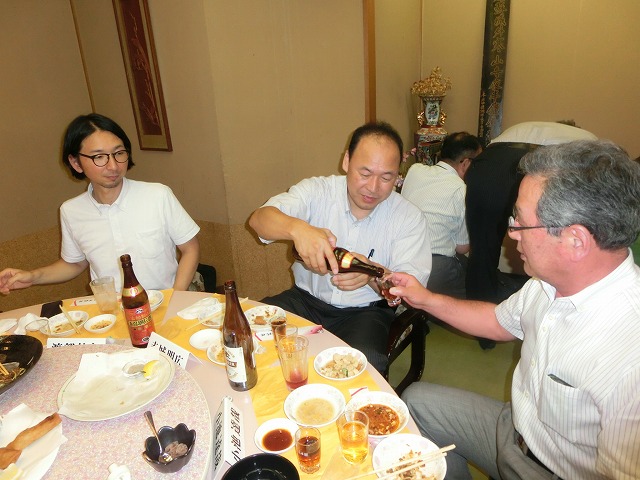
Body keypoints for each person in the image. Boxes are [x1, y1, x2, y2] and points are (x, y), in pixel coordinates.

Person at [388, 140, 640, 479]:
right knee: (415, 401)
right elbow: (498, 322)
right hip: (515, 428)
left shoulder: (629, 357)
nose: (511, 233)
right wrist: (425, 299)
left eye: (520, 221)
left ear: (575, 240)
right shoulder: (546, 283)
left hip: (552, 470)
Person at [248, 121, 431, 373]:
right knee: (248, 332)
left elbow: (411, 292)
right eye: (364, 173)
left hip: (365, 313)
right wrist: (298, 229)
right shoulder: (317, 191)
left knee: (362, 368)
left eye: (386, 177)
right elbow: (259, 220)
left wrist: (371, 274)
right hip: (305, 301)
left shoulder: (409, 218)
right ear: (346, 161)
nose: (373, 187)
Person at [0, 113, 200, 294]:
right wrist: (32, 276)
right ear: (76, 163)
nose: (113, 166)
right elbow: (75, 263)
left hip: (163, 303)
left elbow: (190, 249)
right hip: (112, 312)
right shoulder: (71, 211)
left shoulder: (157, 196)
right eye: (99, 157)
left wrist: (175, 297)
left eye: (119, 153)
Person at [465, 120, 597, 349]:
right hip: (526, 168)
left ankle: (484, 335)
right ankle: (543, 328)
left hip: (486, 168)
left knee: (482, 252)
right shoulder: (586, 140)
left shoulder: (531, 127)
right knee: (548, 250)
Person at [401, 132, 482, 298]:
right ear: (466, 163)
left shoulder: (415, 170)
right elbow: (462, 247)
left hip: (402, 258)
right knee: (477, 289)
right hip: (436, 267)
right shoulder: (461, 190)